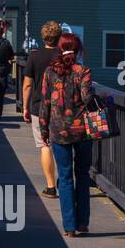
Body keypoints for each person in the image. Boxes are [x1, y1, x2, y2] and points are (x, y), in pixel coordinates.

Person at [39, 32, 95, 237]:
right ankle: (83, 223)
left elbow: (45, 102)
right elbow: (87, 98)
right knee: (82, 175)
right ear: (78, 49)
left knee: (64, 177)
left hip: (58, 130)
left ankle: (69, 226)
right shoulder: (83, 71)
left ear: (59, 48)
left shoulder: (50, 72)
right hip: (82, 131)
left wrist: (44, 129)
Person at [22, 21, 62, 198]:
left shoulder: (34, 56)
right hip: (62, 107)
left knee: (45, 145)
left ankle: (51, 187)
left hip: (39, 107)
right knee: (62, 145)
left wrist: (25, 107)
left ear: (43, 36)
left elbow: (27, 84)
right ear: (59, 37)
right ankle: (64, 180)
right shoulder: (64, 56)